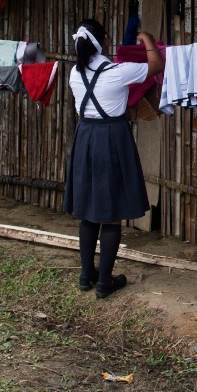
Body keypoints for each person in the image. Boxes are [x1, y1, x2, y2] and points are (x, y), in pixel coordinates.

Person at [62, 17, 164, 298]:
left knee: (88, 211)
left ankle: (86, 277)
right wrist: (146, 38)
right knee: (111, 215)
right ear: (105, 39)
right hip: (111, 139)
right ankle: (105, 282)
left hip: (85, 138)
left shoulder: (74, 74)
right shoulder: (117, 72)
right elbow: (156, 65)